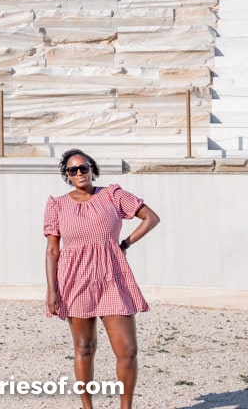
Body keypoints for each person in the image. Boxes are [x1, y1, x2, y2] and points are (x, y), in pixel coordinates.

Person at [44, 149, 160, 409]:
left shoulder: (112, 195)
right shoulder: (57, 205)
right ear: (67, 175)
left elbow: (150, 218)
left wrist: (125, 243)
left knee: (127, 350)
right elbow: (52, 250)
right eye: (73, 170)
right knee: (84, 347)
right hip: (75, 280)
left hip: (112, 278)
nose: (79, 173)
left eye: (83, 167)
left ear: (92, 169)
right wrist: (52, 291)